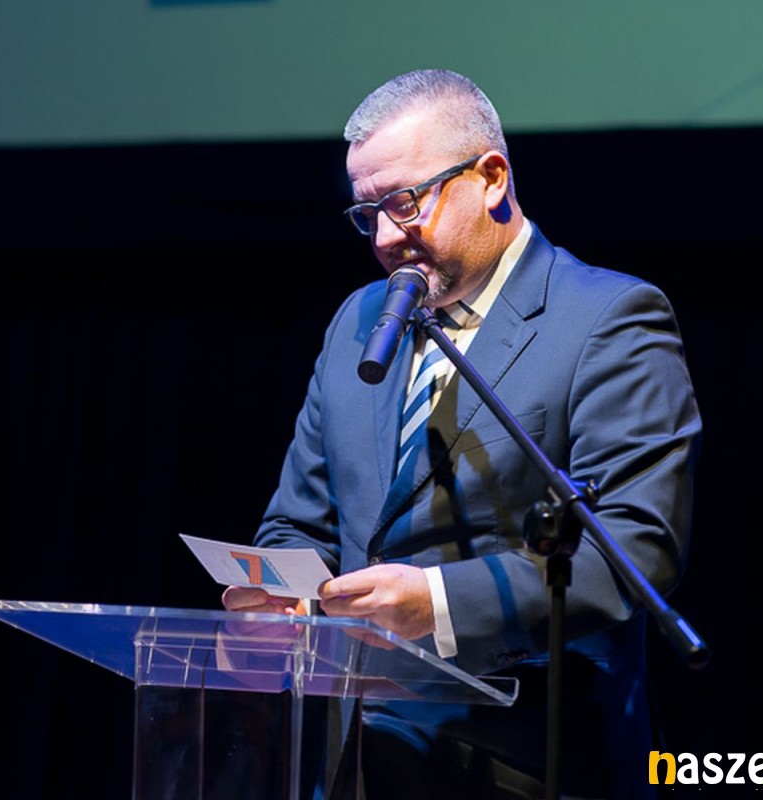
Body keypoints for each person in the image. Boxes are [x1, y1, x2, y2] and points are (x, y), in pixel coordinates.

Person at [222, 68, 701, 799]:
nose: (386, 236)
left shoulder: (607, 319)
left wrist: (437, 602)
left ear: (491, 178)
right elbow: (300, 522)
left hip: (525, 759)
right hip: (356, 757)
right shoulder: (358, 322)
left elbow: (636, 548)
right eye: (367, 214)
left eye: (404, 203)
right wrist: (281, 597)